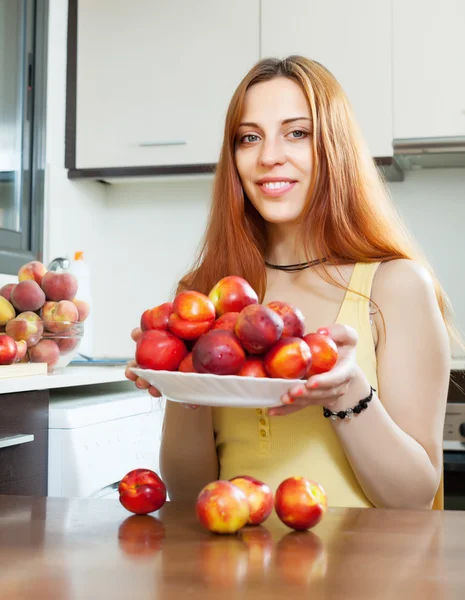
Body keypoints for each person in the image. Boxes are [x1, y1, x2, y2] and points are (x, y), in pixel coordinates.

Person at [126, 56, 455, 510]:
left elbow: (413, 497)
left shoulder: (395, 285)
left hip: (360, 577)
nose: (268, 156)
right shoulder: (204, 294)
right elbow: (189, 493)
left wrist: (346, 390)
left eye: (297, 132)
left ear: (334, 147)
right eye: (249, 137)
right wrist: (183, 382)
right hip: (232, 573)